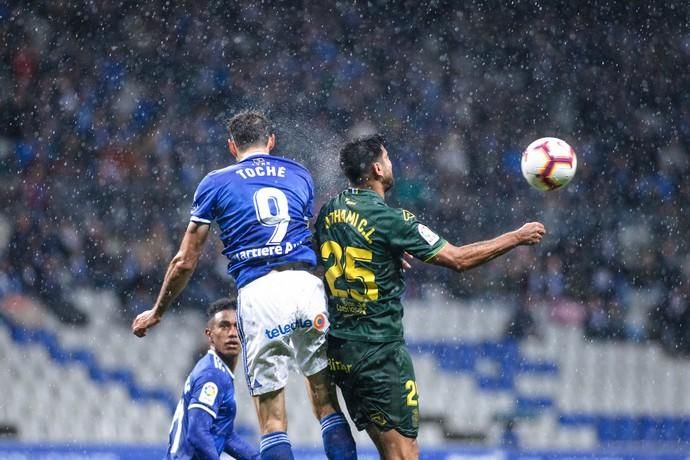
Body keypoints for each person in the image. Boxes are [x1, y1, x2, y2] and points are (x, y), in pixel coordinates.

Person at [132, 111, 356, 460]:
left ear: (231, 146)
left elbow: (185, 260)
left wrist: (157, 310)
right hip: (306, 285)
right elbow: (312, 233)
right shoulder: (299, 174)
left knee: (272, 420)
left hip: (259, 290)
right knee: (327, 404)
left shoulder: (216, 182)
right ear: (271, 141)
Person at [314, 134, 546, 460]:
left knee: (387, 451)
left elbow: (324, 259)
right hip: (378, 353)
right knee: (405, 455)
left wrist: (382, 253)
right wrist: (516, 237)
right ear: (378, 169)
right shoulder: (392, 220)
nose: (393, 164)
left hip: (342, 350)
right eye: (389, 158)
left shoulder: (330, 211)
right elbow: (459, 259)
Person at [166, 297, 259, 460]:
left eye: (237, 327)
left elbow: (225, 434)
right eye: (224, 326)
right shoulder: (212, 374)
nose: (232, 333)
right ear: (210, 335)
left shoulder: (219, 370)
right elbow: (197, 434)